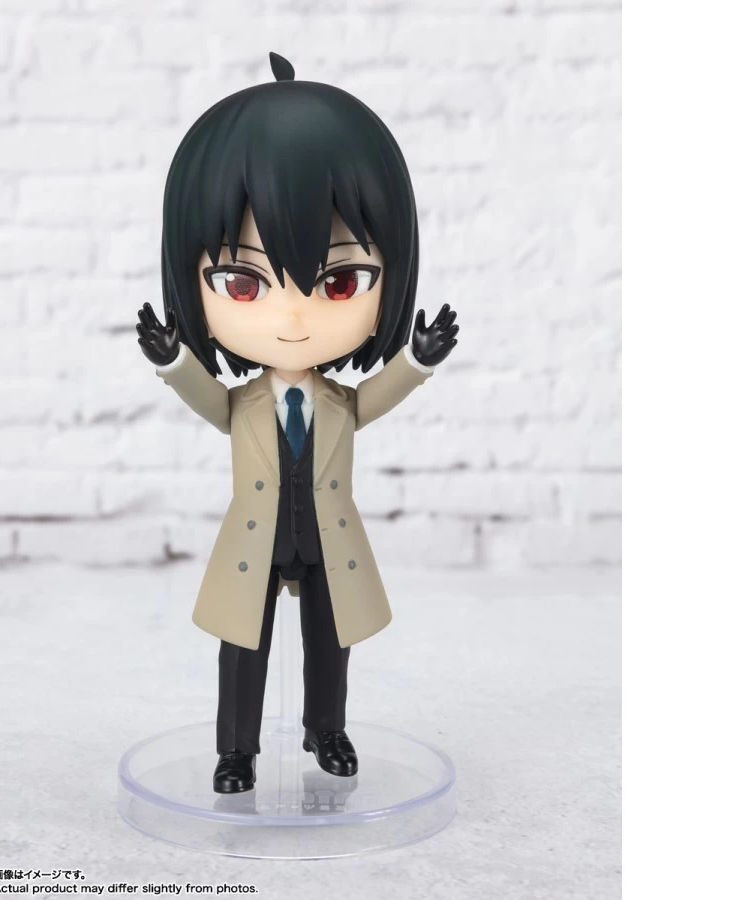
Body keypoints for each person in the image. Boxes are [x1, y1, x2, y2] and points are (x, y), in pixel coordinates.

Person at [136, 52, 459, 794]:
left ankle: (327, 729)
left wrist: (416, 358)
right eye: (242, 282)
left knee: (330, 641)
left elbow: (374, 398)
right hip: (254, 543)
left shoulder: (339, 403)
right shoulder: (245, 404)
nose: (292, 317)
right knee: (242, 648)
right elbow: (208, 401)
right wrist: (173, 358)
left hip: (325, 541)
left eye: (340, 281)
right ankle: (236, 749)